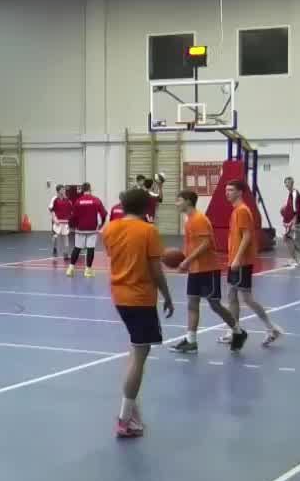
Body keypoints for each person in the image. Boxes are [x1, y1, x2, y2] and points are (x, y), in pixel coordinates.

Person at [100, 187, 172, 439]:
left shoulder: (109, 229)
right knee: (140, 355)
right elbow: (156, 270)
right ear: (146, 207)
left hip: (119, 295)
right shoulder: (148, 231)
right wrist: (167, 296)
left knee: (136, 349)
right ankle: (125, 419)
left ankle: (131, 410)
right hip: (140, 297)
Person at [170, 190, 242, 354]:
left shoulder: (199, 219)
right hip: (195, 269)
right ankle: (191, 341)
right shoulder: (189, 220)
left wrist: (187, 261)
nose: (176, 204)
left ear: (188, 201)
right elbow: (192, 245)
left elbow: (205, 244)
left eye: (178, 200)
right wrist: (184, 260)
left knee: (215, 305)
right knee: (192, 303)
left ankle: (238, 331)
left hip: (208, 268)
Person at [223, 180, 280, 348]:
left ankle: (271, 328)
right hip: (235, 260)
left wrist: (237, 258)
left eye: (231, 190)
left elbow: (247, 236)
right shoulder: (236, 210)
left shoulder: (242, 211)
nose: (227, 193)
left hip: (241, 262)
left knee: (246, 298)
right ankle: (234, 330)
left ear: (240, 192)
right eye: (226, 190)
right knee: (232, 295)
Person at [67, 182, 106, 277]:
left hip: (80, 228)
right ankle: (88, 271)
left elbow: (73, 216)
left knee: (77, 248)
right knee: (90, 248)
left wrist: (72, 226)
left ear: (82, 190)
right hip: (92, 229)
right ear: (90, 189)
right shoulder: (96, 200)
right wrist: (101, 225)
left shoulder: (78, 201)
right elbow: (104, 214)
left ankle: (70, 269)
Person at [279, 177, 300, 265]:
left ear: (292, 183)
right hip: (289, 220)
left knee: (287, 238)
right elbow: (291, 207)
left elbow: (296, 209)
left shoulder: (294, 193)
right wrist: (285, 209)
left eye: (289, 182)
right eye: (286, 183)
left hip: (292, 220)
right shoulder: (291, 194)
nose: (287, 184)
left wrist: (293, 221)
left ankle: (295, 258)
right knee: (289, 239)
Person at [49, 185, 74, 259]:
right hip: (57, 221)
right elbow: (51, 210)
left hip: (65, 221)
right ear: (58, 190)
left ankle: (66, 253)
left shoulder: (67, 199)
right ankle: (54, 248)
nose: (64, 191)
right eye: (62, 189)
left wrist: (70, 219)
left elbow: (71, 209)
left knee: (65, 236)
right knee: (55, 236)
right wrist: (54, 219)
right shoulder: (54, 199)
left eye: (64, 189)